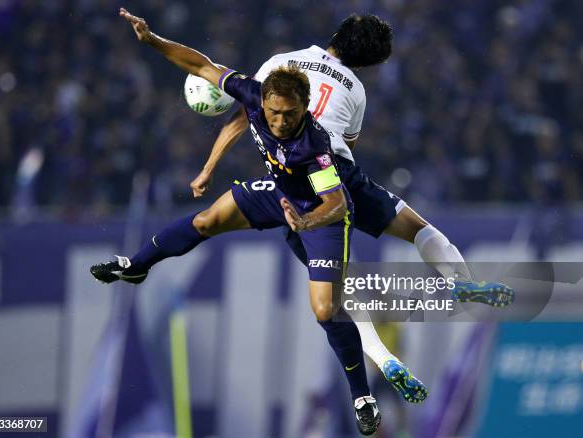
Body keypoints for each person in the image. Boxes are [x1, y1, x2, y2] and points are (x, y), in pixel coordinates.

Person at [189, 13, 514, 404]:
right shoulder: (356, 89)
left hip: (297, 188)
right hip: (338, 174)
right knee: (419, 229)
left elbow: (244, 118)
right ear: (368, 63)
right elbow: (345, 148)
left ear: (337, 35)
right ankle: (460, 282)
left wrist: (208, 168)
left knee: (340, 290)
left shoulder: (280, 63)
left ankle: (383, 358)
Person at [91, 8, 381, 435]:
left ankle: (362, 395)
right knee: (208, 219)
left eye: (290, 115)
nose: (280, 123)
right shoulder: (252, 94)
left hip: (319, 216)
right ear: (261, 100)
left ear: (304, 109)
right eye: (274, 113)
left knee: (324, 309)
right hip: (278, 193)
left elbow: (337, 203)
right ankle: (136, 266)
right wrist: (152, 39)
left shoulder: (314, 146)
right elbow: (200, 64)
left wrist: (305, 223)